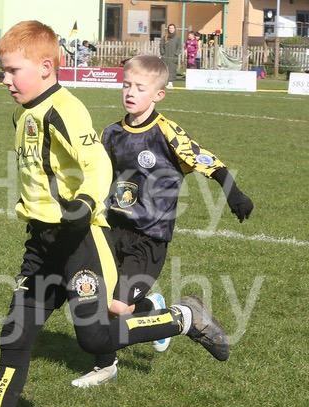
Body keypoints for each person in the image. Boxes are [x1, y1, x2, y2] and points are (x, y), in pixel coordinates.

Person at [0, 22, 230, 407]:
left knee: (95, 338)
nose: (5, 79)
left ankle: (184, 318)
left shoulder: (64, 110)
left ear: (46, 67)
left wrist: (84, 202)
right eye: (3, 70)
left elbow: (96, 165)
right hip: (41, 244)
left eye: (13, 70)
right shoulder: (23, 113)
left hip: (80, 240)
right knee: (15, 335)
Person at [71, 55, 253, 388]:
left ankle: (167, 314)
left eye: (140, 88)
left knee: (116, 305)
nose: (130, 92)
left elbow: (206, 160)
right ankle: (106, 365)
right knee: (99, 299)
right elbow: (95, 171)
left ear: (158, 94)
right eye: (127, 85)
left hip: (149, 236)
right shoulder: (111, 132)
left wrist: (234, 193)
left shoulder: (165, 132)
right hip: (112, 229)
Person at [159, 24, 181, 88]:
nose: (171, 29)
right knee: (164, 69)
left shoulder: (177, 38)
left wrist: (176, 54)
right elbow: (161, 45)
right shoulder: (165, 37)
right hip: (165, 56)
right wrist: (162, 53)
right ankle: (163, 82)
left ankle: (170, 83)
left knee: (172, 69)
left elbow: (179, 47)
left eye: (172, 28)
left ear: (174, 29)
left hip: (173, 56)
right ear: (168, 29)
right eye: (170, 28)